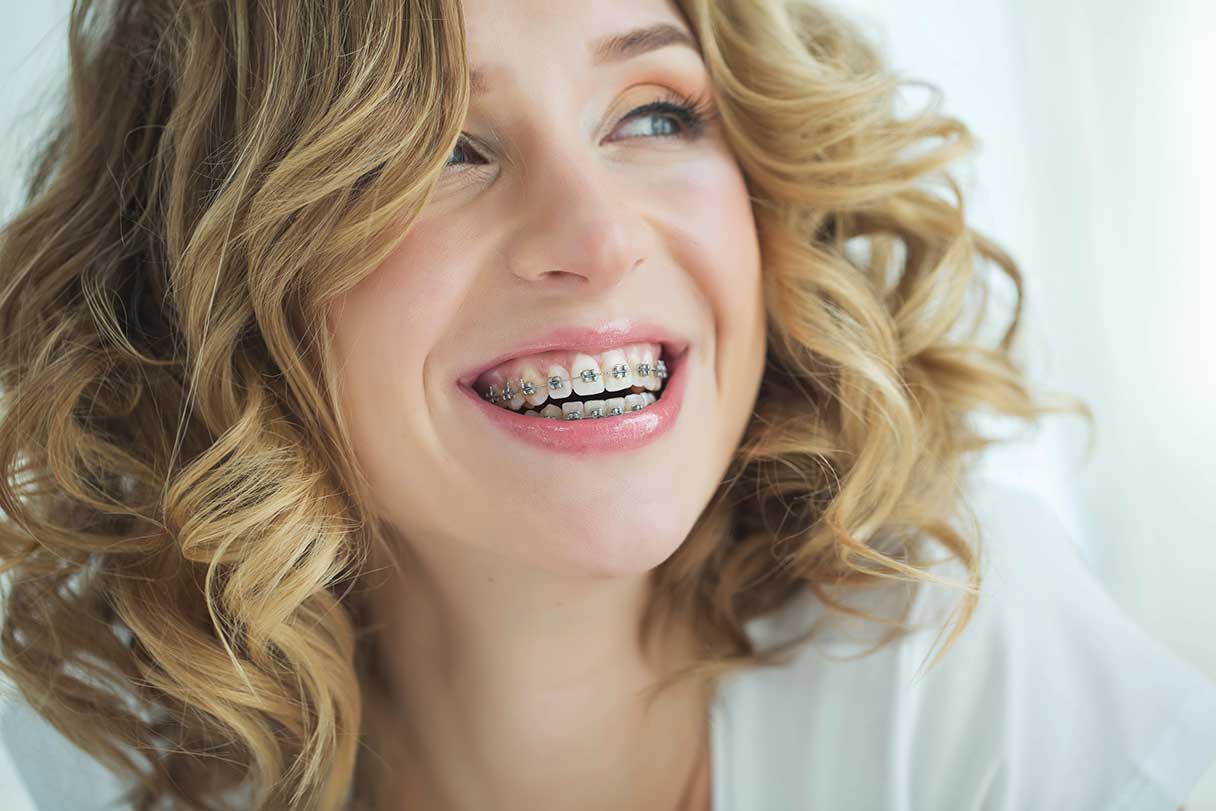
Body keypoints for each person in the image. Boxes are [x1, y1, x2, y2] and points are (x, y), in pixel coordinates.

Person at [0, 0, 1213, 809]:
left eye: (654, 114)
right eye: (439, 152)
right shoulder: (101, 758)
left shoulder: (958, 659)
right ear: (207, 276)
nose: (595, 236)